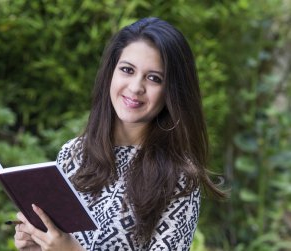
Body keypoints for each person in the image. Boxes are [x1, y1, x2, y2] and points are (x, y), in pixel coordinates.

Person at [13, 17, 225, 251]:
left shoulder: (180, 177)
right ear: (111, 73)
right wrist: (36, 244)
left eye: (154, 78)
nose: (135, 87)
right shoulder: (73, 154)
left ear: (171, 91)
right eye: (127, 70)